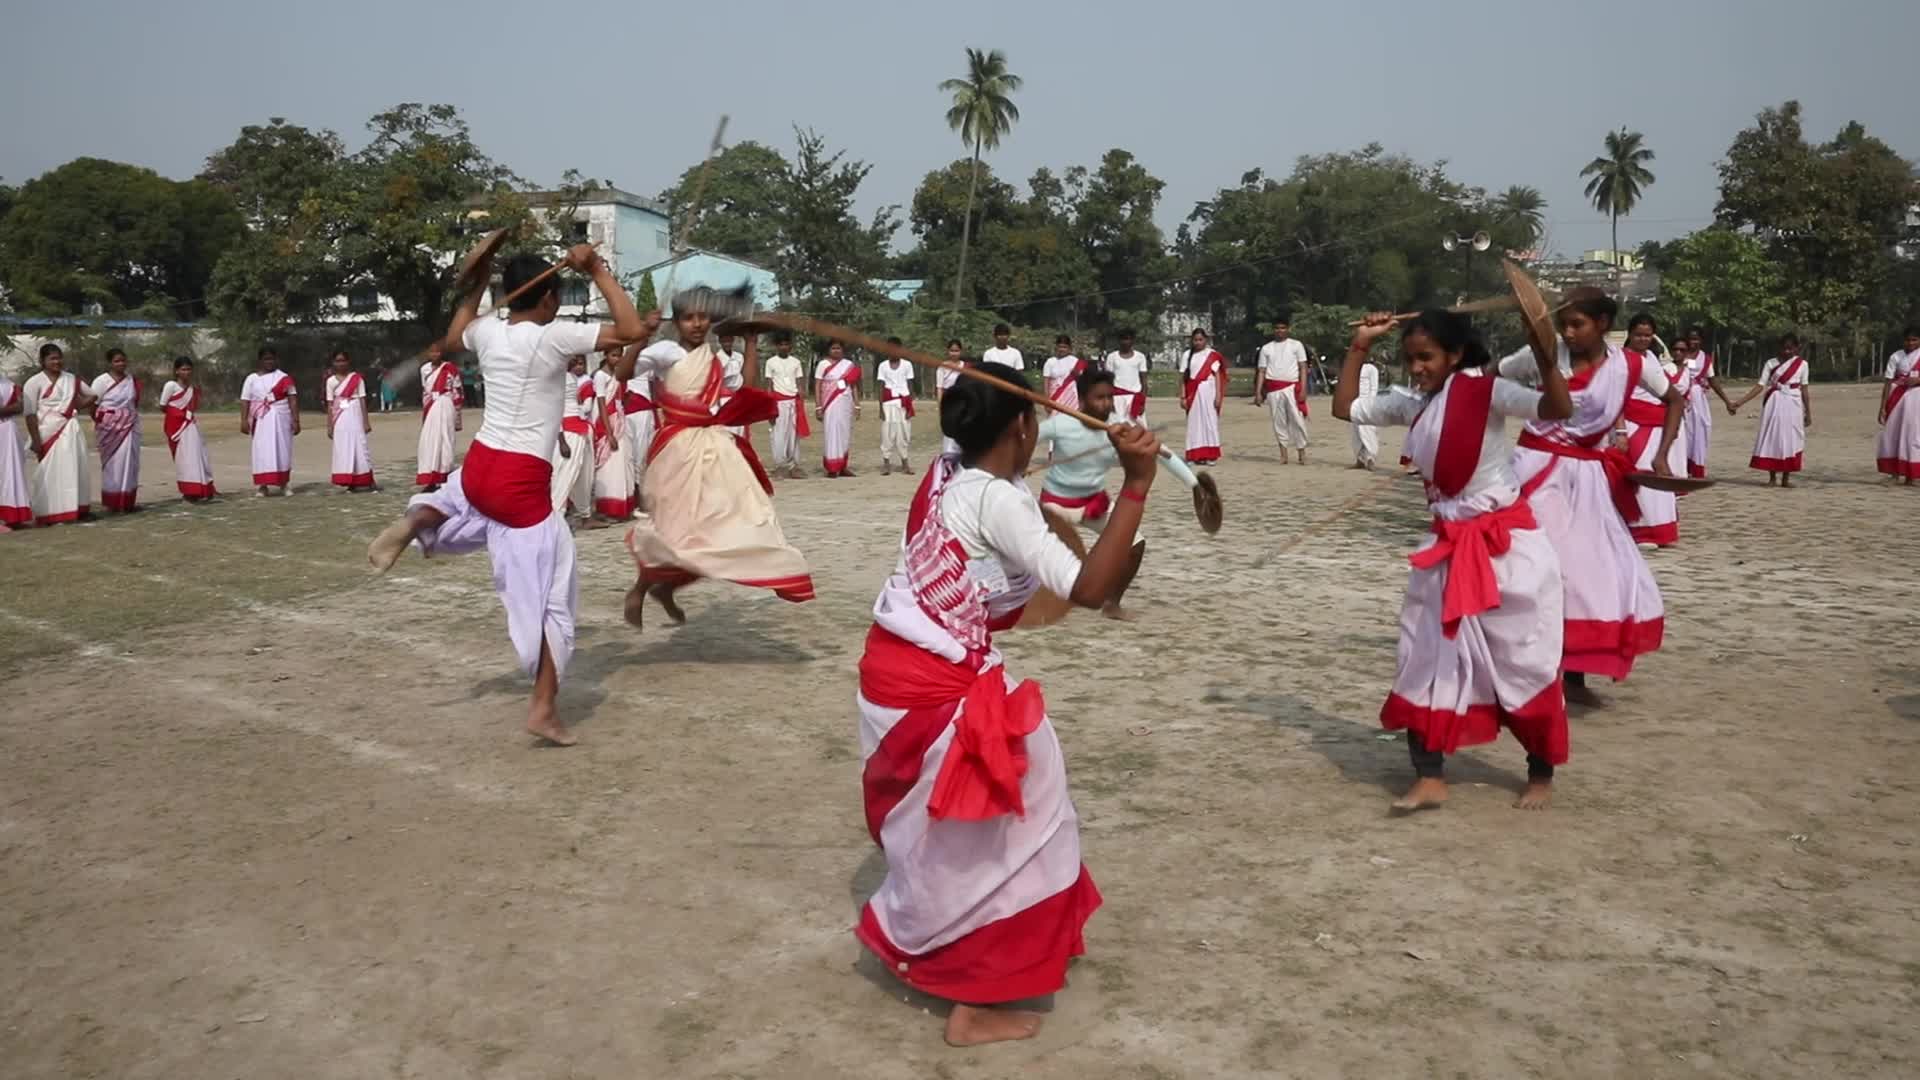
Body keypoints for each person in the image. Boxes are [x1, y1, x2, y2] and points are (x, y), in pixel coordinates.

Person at [854, 361, 1159, 1047]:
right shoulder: (997, 499)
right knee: (1019, 816)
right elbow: (1087, 590)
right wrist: (1137, 484)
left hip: (900, 668)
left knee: (985, 825)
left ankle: (988, 957)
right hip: (934, 683)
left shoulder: (946, 471)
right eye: (1036, 419)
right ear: (1023, 426)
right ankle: (971, 993)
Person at [365, 244, 653, 746]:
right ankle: (543, 708)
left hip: (479, 467)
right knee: (552, 603)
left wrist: (476, 285)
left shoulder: (488, 331)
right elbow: (630, 331)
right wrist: (598, 268)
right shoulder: (553, 336)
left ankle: (418, 520)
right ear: (545, 298)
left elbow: (455, 335)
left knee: (461, 497)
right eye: (559, 294)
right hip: (520, 487)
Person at [1334, 310, 1574, 811]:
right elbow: (1344, 408)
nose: (1416, 368)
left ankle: (1541, 772)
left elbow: (1555, 409)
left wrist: (1547, 358)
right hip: (1446, 551)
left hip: (1508, 551)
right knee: (1423, 659)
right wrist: (1359, 345)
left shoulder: (1487, 391)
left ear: (1455, 354)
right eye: (1410, 359)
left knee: (1523, 661)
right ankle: (1429, 775)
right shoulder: (1412, 405)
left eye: (1426, 357)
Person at [1497, 287, 1682, 706]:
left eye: (1577, 324)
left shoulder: (1632, 365)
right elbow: (1491, 380)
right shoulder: (1544, 355)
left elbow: (1675, 399)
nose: (1568, 332)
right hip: (1534, 471)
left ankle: (1574, 675)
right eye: (1563, 324)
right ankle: (1516, 667)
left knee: (1589, 575)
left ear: (1602, 324)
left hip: (1587, 480)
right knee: (1527, 567)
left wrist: (1663, 454)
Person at [624, 285, 815, 625]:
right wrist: (641, 335)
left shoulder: (715, 359)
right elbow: (623, 374)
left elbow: (744, 388)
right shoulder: (666, 351)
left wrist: (751, 344)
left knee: (720, 525)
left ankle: (667, 589)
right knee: (675, 529)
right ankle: (642, 588)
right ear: (677, 321)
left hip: (714, 448)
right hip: (677, 450)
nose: (696, 324)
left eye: (702, 317)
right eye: (688, 318)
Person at [1036, 368, 1197, 620]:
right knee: (1031, 555)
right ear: (1081, 399)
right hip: (1055, 504)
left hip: (1093, 504)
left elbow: (1162, 453)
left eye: (1109, 397)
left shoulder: (1121, 428)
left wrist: (1194, 484)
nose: (1106, 404)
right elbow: (1024, 438)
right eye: (1098, 398)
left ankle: (1112, 603)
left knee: (1136, 544)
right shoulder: (1061, 423)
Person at [1619, 315, 1685, 547]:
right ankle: (1641, 530)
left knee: (1660, 473)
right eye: (1638, 334)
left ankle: (1662, 530)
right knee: (1640, 475)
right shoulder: (1620, 359)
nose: (1643, 339)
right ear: (1629, 333)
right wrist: (1620, 431)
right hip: (1632, 423)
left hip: (1657, 423)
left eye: (1647, 335)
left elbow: (1670, 396)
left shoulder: (1652, 358)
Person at [22, 343, 96, 525]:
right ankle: (49, 512)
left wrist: (74, 406)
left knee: (73, 469)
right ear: (42, 361)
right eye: (52, 358)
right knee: (49, 473)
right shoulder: (34, 382)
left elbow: (93, 395)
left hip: (69, 429)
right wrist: (37, 440)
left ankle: (75, 508)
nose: (57, 362)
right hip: (47, 431)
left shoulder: (70, 379)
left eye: (59, 357)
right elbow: (30, 413)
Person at [1731, 333, 1812, 487]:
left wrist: (1808, 412)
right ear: (1779, 347)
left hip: (1793, 403)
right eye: (1784, 348)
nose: (1787, 351)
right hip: (1774, 402)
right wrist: (1740, 402)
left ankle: (1786, 478)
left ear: (1796, 348)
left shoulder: (1803, 365)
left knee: (1791, 439)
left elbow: (1805, 390)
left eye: (1790, 348)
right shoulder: (1771, 363)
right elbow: (1760, 386)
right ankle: (1772, 477)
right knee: (1773, 436)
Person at [89, 347, 143, 511]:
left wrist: (127, 417)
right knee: (113, 464)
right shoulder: (101, 381)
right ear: (110, 363)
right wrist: (102, 421)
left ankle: (127, 501)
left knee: (129, 462)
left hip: (129, 425)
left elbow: (133, 403)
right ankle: (112, 503)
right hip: (109, 426)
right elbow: (93, 404)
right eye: (117, 361)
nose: (121, 364)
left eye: (123, 360)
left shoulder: (131, 380)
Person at [240, 346, 299, 496]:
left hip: (281, 416)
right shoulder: (252, 379)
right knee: (262, 449)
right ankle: (262, 485)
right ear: (260, 361)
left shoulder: (283, 377)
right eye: (266, 359)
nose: (269, 362)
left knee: (282, 449)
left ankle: (284, 483)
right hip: (261, 418)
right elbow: (245, 400)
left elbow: (292, 398)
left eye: (271, 358)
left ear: (276, 359)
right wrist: (244, 420)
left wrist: (296, 420)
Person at [1680, 327, 1736, 477]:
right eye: (1691, 339)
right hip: (1680, 398)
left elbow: (1713, 381)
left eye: (1696, 339)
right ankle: (1681, 466)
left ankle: (1695, 466)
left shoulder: (1705, 359)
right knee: (1682, 432)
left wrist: (1727, 401)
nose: (1693, 342)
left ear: (1701, 340)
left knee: (1699, 431)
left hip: (1698, 400)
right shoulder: (1679, 354)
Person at [159, 357, 217, 502]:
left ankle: (203, 488)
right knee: (183, 458)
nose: (186, 372)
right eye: (183, 369)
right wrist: (180, 415)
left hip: (191, 426)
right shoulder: (171, 386)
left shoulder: (192, 389)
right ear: (177, 371)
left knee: (198, 455)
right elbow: (163, 406)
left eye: (189, 369)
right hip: (177, 427)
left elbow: (193, 406)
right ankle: (189, 491)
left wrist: (187, 416)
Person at [1255, 317, 1310, 464]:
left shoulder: (1296, 345)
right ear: (1274, 330)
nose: (1280, 331)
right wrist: (1258, 392)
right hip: (1273, 389)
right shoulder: (1266, 348)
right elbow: (1261, 371)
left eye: (1283, 328)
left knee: (1297, 421)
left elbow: (1303, 368)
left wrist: (1304, 389)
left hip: (1292, 387)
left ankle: (1301, 452)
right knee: (1278, 422)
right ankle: (1283, 454)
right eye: (1277, 328)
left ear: (1288, 329)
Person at [549, 355, 595, 522]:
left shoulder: (571, 377)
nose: (576, 365)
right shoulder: (557, 377)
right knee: (564, 476)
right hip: (568, 432)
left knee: (584, 476)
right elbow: (554, 409)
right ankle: (556, 516)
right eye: (573, 361)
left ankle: (586, 515)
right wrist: (561, 440)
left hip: (579, 426)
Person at [323, 348, 377, 492]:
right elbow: (329, 403)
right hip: (339, 416)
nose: (340, 364)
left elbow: (362, 399)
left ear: (348, 362)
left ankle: (367, 479)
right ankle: (348, 480)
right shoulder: (330, 381)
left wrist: (366, 421)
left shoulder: (357, 379)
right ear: (333, 363)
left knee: (360, 445)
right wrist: (329, 425)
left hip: (355, 412)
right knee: (343, 447)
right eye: (337, 361)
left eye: (343, 360)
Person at [591, 350, 636, 520]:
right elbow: (601, 404)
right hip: (607, 422)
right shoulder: (600, 376)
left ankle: (624, 506)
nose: (617, 359)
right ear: (605, 355)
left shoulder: (619, 375)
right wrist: (609, 433)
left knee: (624, 462)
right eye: (613, 355)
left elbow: (623, 397)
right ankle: (609, 508)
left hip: (619, 419)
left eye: (619, 356)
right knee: (609, 465)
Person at [1875, 326, 1920, 484]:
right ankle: (1894, 472)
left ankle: (1910, 475)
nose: (1911, 343)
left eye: (1914, 339)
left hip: (1916, 399)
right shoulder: (1896, 356)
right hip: (1896, 398)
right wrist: (1882, 407)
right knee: (1892, 434)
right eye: (1908, 340)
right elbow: (1888, 382)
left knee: (1911, 435)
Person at [762, 332, 809, 479]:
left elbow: (800, 382)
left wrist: (801, 396)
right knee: (779, 434)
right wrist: (769, 406)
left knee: (793, 434)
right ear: (777, 346)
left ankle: (794, 465)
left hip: (793, 401)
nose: (784, 347)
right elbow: (769, 385)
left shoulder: (795, 362)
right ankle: (780, 465)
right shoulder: (771, 362)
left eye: (786, 344)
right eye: (781, 344)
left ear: (790, 346)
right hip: (778, 401)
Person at [417, 343, 463, 491]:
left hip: (446, 403)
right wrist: (425, 409)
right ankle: (431, 479)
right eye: (432, 352)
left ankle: (445, 477)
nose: (435, 354)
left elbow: (458, 391)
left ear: (442, 354)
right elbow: (425, 390)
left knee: (445, 440)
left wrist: (457, 415)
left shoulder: (450, 369)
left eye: (438, 352)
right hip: (431, 406)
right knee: (429, 441)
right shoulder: (424, 369)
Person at [1181, 328, 1228, 465]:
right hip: (1193, 392)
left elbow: (1218, 376)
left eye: (1200, 339)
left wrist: (1218, 396)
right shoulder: (1187, 355)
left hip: (1209, 390)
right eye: (1195, 340)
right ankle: (1195, 455)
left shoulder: (1212, 355)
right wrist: (1183, 396)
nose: (1198, 342)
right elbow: (1183, 377)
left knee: (1210, 421)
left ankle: (1210, 455)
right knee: (1194, 423)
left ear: (1205, 340)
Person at [814, 340, 860, 478]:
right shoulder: (823, 364)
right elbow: (817, 385)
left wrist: (857, 405)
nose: (836, 351)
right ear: (828, 350)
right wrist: (818, 406)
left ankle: (843, 466)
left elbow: (854, 386)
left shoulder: (848, 365)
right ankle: (832, 468)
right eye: (833, 348)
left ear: (843, 350)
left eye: (838, 348)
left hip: (846, 402)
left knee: (845, 433)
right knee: (832, 433)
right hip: (830, 403)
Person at [876, 342, 916, 475]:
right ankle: (886, 463)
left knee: (904, 432)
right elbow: (881, 387)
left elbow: (910, 385)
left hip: (903, 402)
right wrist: (880, 408)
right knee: (887, 433)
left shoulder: (907, 365)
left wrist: (910, 406)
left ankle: (905, 463)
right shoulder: (883, 366)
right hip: (888, 403)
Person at [0, 366, 31, 530]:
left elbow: (19, 406)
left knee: (12, 473)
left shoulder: (10, 385)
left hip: (8, 431)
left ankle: (13, 517)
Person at [1103, 329, 1149, 423]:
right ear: (1119, 341)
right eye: (1123, 339)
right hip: (1117, 397)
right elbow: (1107, 381)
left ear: (1132, 340)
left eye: (1128, 339)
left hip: (1134, 398)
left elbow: (1144, 381)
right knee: (1116, 426)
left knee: (1136, 427)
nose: (1125, 342)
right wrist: (1109, 400)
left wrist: (1142, 402)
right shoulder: (1112, 357)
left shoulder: (1140, 357)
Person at [934, 339, 967, 457]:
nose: (954, 353)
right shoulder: (942, 367)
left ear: (961, 351)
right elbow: (939, 388)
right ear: (948, 351)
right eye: (952, 351)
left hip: (963, 401)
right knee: (949, 430)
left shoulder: (965, 367)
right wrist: (941, 406)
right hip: (948, 401)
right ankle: (949, 456)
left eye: (957, 350)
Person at [1348, 352, 1380, 470]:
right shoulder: (1352, 368)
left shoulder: (1371, 369)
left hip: (1367, 403)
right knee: (1355, 432)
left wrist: (1370, 403)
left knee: (1368, 431)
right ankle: (1360, 459)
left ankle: (1370, 458)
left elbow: (1374, 388)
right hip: (1354, 403)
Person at [1042, 334, 1087, 412]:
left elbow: (1083, 384)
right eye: (1060, 347)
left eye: (1065, 347)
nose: (1062, 349)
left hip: (1073, 402)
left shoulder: (1075, 362)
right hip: (1055, 400)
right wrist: (1046, 402)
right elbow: (1046, 384)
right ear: (1056, 347)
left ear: (1070, 349)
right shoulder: (1050, 362)